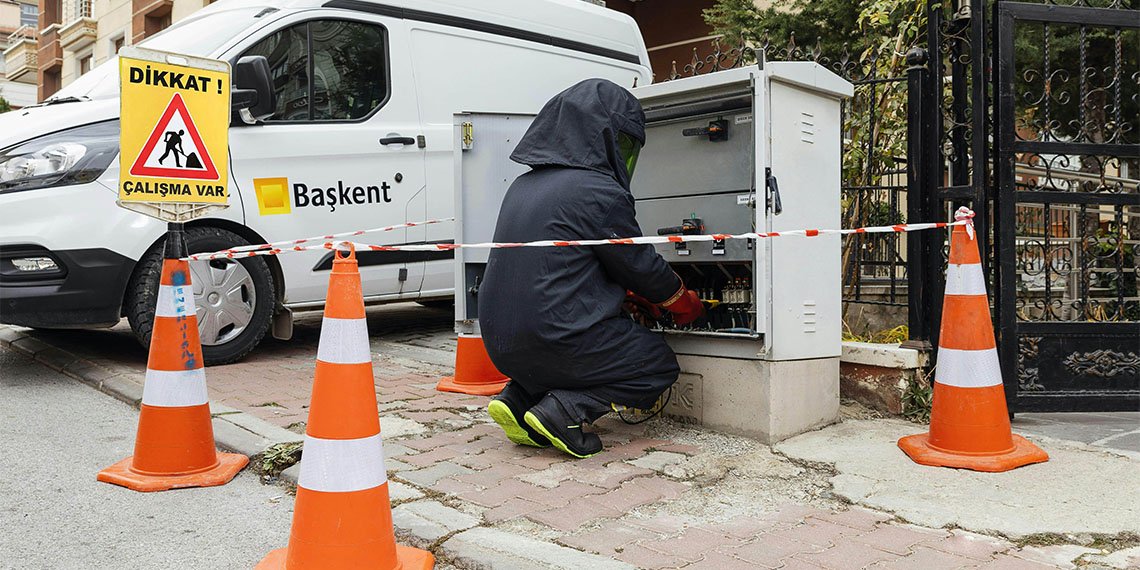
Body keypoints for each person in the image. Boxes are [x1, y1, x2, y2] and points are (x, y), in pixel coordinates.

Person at [478, 78, 705, 459]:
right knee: (657, 364)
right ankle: (566, 410)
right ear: (606, 139)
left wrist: (623, 296)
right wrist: (682, 301)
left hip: (501, 347)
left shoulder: (521, 186)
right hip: (556, 339)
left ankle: (516, 400)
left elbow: (560, 269)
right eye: (625, 143)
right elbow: (642, 267)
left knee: (555, 352)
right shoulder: (598, 190)